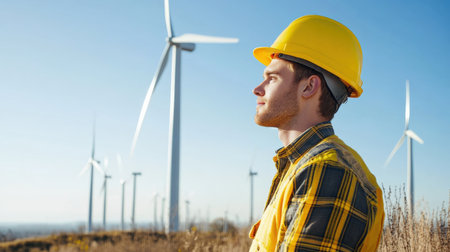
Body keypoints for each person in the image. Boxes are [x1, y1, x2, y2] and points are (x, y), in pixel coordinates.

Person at [249, 15, 385, 252]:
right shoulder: (299, 167)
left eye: (272, 78)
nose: (257, 89)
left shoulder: (328, 171)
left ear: (309, 87)